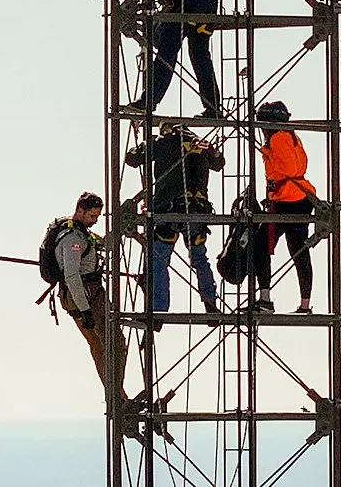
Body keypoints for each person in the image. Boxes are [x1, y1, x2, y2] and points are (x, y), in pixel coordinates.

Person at [125, 123, 223, 321]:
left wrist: (146, 144)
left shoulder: (163, 142)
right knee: (199, 258)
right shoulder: (202, 144)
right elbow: (219, 163)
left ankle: (158, 313)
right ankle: (211, 305)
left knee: (158, 260)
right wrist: (211, 148)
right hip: (197, 209)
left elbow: (131, 158)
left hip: (170, 209)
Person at [243, 101, 316, 314]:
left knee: (259, 246)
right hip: (298, 199)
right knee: (299, 251)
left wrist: (267, 151)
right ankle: (304, 304)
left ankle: (265, 299)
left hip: (288, 201)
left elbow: (288, 168)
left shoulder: (279, 138)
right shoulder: (290, 135)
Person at [55, 191, 129, 401]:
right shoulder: (73, 238)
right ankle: (116, 394)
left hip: (77, 296)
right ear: (80, 210)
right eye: (91, 216)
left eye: (97, 217)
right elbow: (72, 275)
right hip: (86, 295)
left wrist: (119, 229)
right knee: (116, 343)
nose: (94, 221)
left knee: (97, 344)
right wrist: (85, 309)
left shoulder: (81, 233)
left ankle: (116, 394)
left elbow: (103, 244)